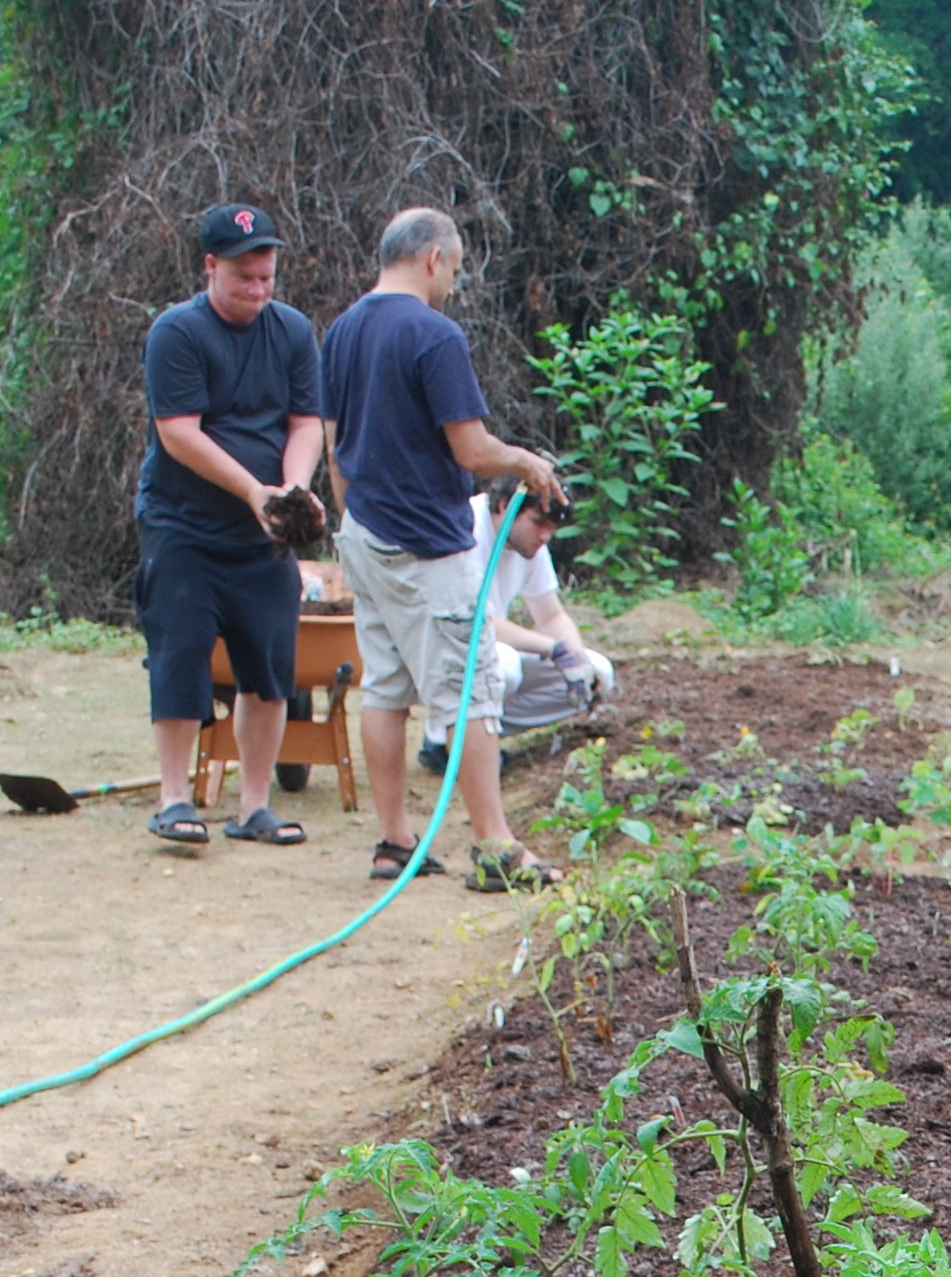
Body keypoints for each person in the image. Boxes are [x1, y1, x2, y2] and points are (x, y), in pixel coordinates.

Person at [320, 208, 567, 891]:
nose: (453, 283)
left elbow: (334, 446)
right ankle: (495, 849)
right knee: (470, 692)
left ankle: (395, 841)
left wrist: (353, 520)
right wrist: (527, 461)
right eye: (454, 269)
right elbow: (472, 450)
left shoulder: (341, 331)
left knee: (385, 688)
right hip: (428, 543)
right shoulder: (434, 334)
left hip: (364, 534)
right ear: (432, 258)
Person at [135, 201, 326, 853]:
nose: (258, 289)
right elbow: (178, 434)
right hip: (183, 525)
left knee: (269, 668)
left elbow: (305, 422)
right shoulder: (177, 334)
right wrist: (253, 491)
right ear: (211, 267)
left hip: (262, 535)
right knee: (181, 654)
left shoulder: (292, 331)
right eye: (245, 277)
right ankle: (174, 800)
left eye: (267, 277)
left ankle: (254, 806)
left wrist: (291, 490)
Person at [419, 487, 614, 770]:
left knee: (599, 673)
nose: (545, 536)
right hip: (442, 651)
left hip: (488, 656)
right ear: (503, 506)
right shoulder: (464, 527)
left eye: (552, 527)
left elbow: (550, 616)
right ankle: (441, 740)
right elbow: (475, 621)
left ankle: (481, 736)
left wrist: (577, 659)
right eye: (538, 523)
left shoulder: (530, 544)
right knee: (504, 666)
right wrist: (554, 650)